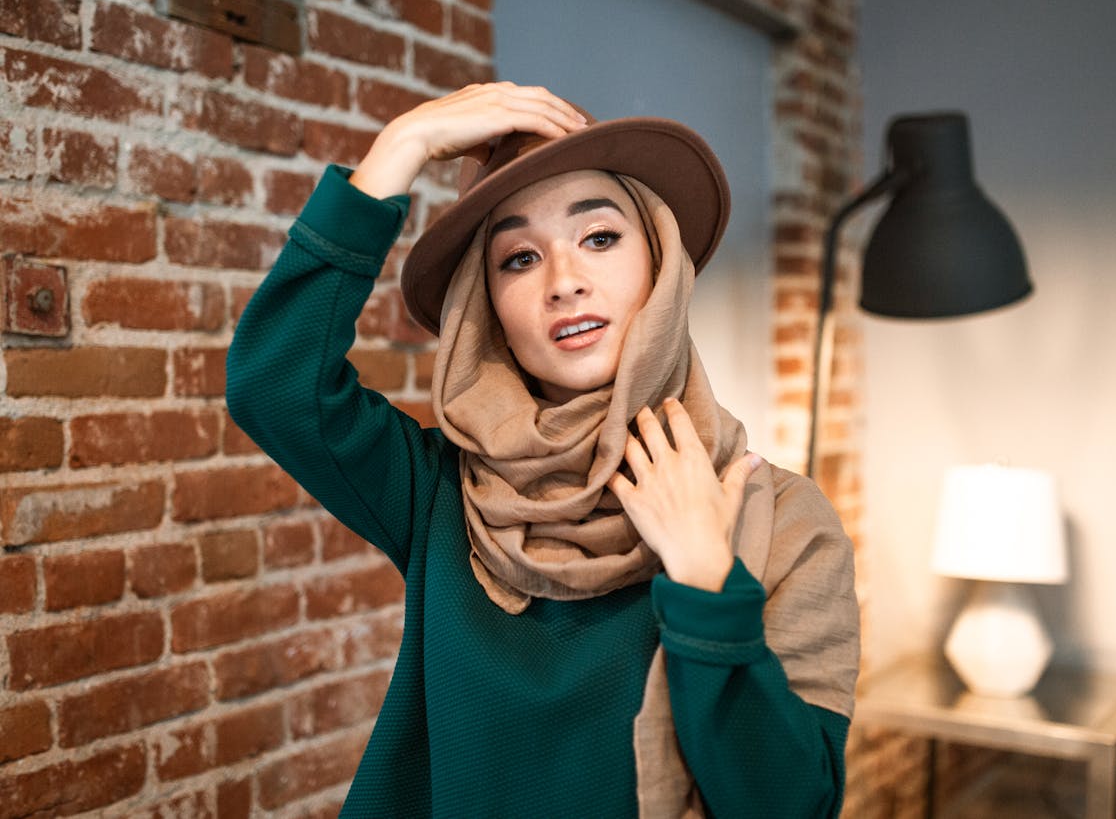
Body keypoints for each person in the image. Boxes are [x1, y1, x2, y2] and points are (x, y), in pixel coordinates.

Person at [226, 82, 860, 818]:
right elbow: (274, 383)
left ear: (661, 265)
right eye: (519, 259)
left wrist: (706, 579)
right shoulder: (441, 496)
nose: (565, 282)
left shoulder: (784, 522)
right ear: (486, 306)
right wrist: (403, 143)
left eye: (599, 237)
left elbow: (793, 806)